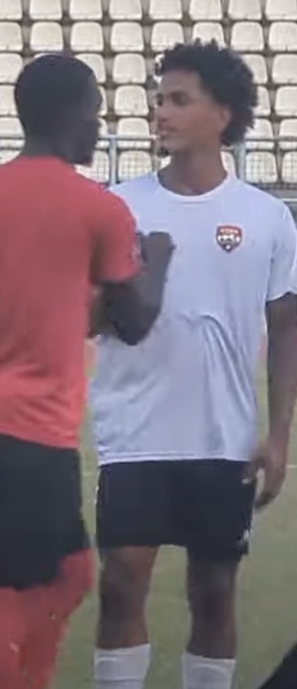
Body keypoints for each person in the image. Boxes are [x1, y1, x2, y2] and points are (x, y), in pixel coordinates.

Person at [0, 53, 175, 689]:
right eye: (95, 112)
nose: (100, 125)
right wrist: (158, 256)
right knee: (16, 591)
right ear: (70, 113)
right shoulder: (99, 209)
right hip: (33, 430)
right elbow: (134, 321)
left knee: (69, 573)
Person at [89, 42, 297, 689]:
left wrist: (279, 436)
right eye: (159, 98)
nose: (161, 111)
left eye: (179, 99)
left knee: (213, 591)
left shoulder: (267, 217)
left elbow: (286, 329)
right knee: (122, 583)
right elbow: (87, 318)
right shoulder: (118, 206)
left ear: (223, 115)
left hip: (223, 437)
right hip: (133, 431)